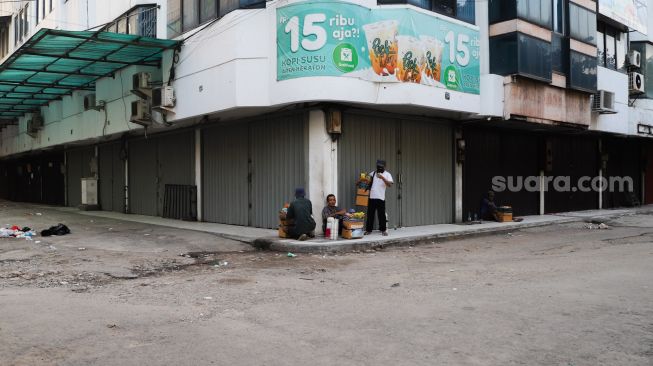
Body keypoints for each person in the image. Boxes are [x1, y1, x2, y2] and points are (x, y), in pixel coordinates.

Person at [363, 159, 393, 236]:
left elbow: (390, 184)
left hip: (381, 198)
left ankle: (383, 230)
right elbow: (367, 181)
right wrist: (364, 178)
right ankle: (368, 230)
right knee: (370, 214)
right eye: (378, 166)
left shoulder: (387, 174)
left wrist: (382, 177)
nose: (379, 168)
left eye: (381, 167)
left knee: (381, 215)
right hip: (372, 197)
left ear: (384, 167)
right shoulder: (372, 173)